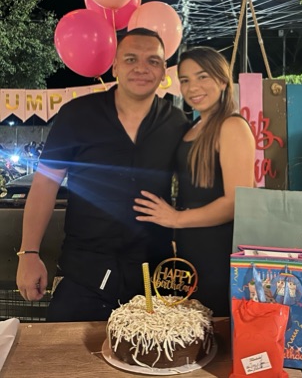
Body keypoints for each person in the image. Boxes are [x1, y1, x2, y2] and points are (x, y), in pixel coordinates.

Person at [16, 28, 189, 321]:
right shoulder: (76, 115)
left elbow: (194, 189)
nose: (141, 68)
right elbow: (45, 184)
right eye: (131, 59)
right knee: (65, 350)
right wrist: (28, 254)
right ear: (115, 66)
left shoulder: (177, 122)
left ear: (163, 72)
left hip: (152, 277)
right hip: (84, 273)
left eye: (153, 61)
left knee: (154, 350)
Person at [134, 46, 255, 316]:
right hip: (189, 247)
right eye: (185, 80)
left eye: (202, 77)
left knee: (214, 323)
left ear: (222, 81)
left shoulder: (232, 126)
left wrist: (176, 219)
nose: (193, 87)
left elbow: (236, 202)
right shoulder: (194, 126)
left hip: (218, 248)